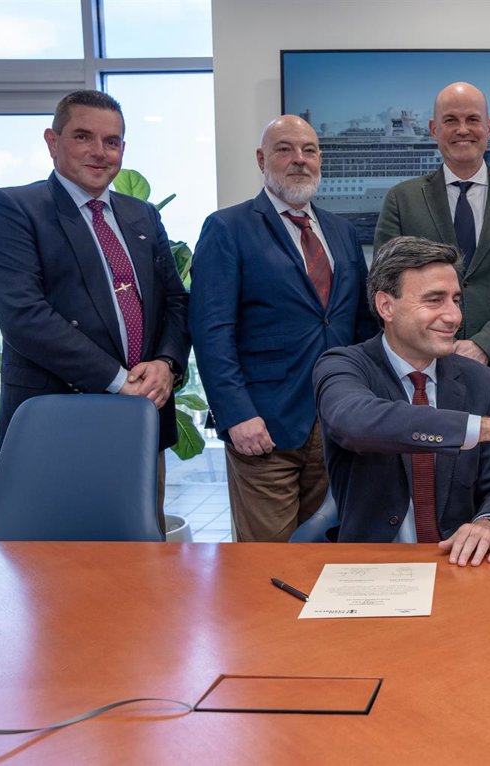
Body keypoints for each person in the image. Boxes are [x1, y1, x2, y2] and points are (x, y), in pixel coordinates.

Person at [0, 89, 189, 527]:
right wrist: (120, 382)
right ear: (52, 141)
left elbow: (175, 301)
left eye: (112, 141)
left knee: (144, 555)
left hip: (143, 424)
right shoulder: (12, 209)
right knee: (56, 561)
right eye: (83, 137)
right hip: (54, 427)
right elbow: (25, 317)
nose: (99, 152)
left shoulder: (143, 215)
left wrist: (166, 364)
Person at [189, 115, 379, 543]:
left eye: (309, 150)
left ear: (320, 160)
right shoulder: (228, 228)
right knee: (267, 558)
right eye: (285, 149)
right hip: (264, 426)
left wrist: (367, 401)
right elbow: (211, 331)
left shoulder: (342, 232)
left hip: (336, 426)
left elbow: (360, 326)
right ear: (262, 159)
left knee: (329, 551)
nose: (299, 159)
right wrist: (237, 414)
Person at [314, 236, 490, 566]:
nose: (453, 316)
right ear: (386, 306)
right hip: (372, 568)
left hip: (460, 565)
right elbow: (355, 422)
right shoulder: (343, 366)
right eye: (434, 300)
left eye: (455, 300)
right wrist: (487, 429)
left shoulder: (481, 381)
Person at [373, 81, 490, 420]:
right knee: (423, 456)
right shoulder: (402, 199)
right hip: (420, 376)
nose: (463, 130)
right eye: (451, 120)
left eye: (472, 119)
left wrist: (485, 344)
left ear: (489, 127)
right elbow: (385, 287)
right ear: (433, 129)